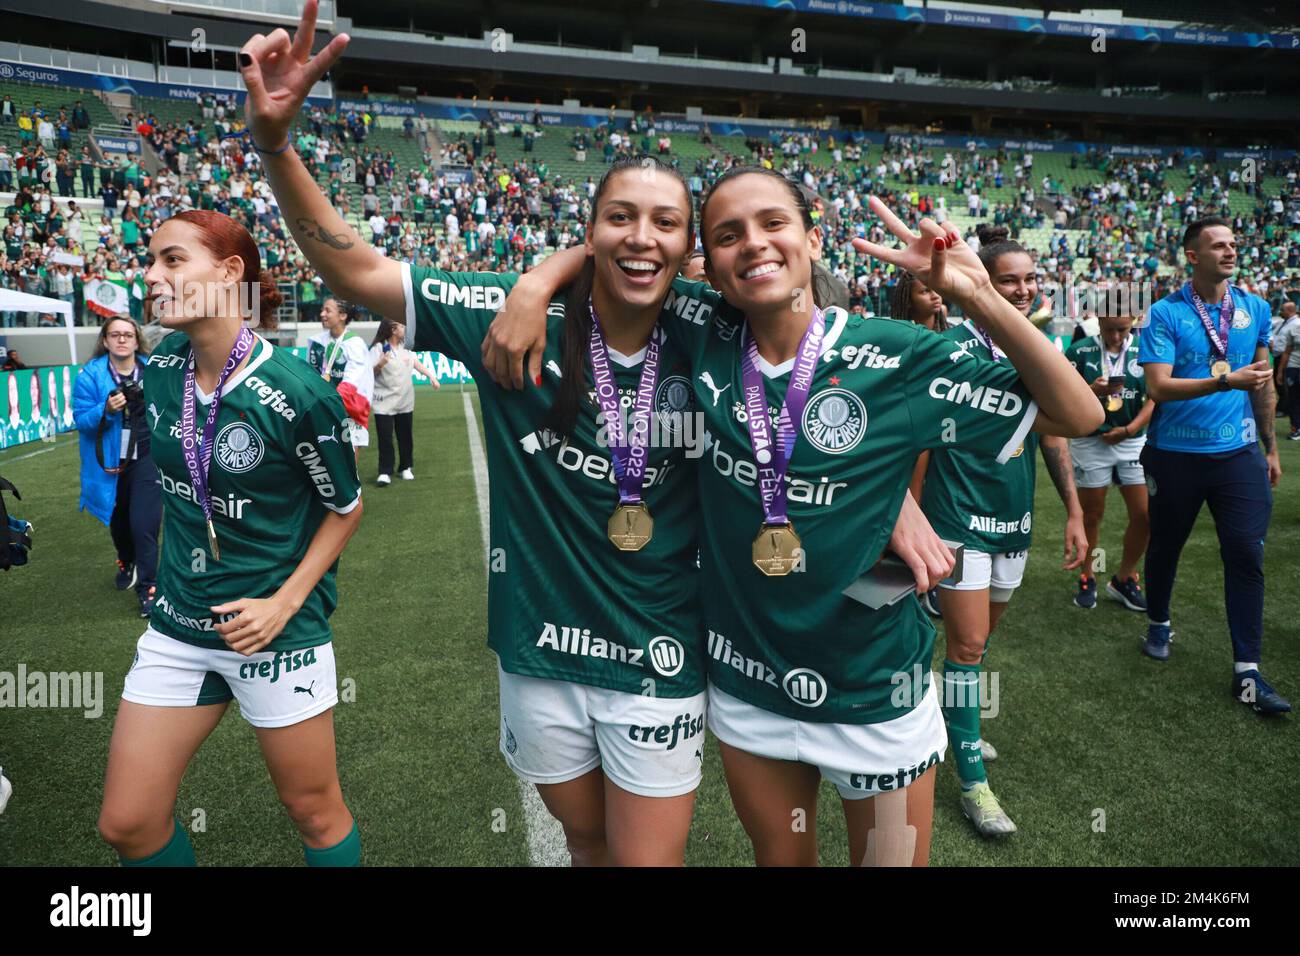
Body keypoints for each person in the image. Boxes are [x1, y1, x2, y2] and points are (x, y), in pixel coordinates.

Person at [486, 169, 1102, 865]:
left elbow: (1078, 413)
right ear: (710, 269)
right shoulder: (701, 329)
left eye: (773, 224)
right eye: (727, 235)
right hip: (751, 690)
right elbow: (625, 256)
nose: (752, 244)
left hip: (876, 694)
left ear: (812, 240)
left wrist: (980, 294)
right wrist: (537, 282)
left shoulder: (894, 356)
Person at [96, 209, 365, 868]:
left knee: (313, 811)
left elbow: (345, 507)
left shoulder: (296, 391)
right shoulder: (160, 374)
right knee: (127, 824)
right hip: (178, 627)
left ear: (230, 272)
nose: (151, 275)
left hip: (274, 632)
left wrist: (284, 602)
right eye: (150, 260)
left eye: (171, 260)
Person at [909, 223, 1088, 837]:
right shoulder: (951, 348)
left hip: (1014, 519)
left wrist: (1073, 510)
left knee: (978, 645)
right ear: (980, 279)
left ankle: (953, 718)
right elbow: (920, 447)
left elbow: (1059, 431)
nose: (1021, 289)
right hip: (957, 520)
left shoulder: (1036, 348)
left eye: (1030, 278)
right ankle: (972, 784)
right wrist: (908, 519)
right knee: (966, 648)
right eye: (1006, 279)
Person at [1137, 216, 1289, 715]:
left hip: (1239, 456)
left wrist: (1269, 447)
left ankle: (1248, 671)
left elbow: (1262, 382)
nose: (1229, 251)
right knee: (1166, 545)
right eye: (1217, 245)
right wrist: (1226, 382)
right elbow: (1156, 387)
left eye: (1233, 244)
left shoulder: (1256, 309)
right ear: (1193, 256)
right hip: (1176, 455)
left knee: (1246, 553)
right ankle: (1158, 620)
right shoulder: (1164, 313)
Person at [72, 315, 161, 616]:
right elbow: (81, 422)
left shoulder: (156, 370)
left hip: (147, 456)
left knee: (144, 524)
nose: (122, 339)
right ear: (105, 340)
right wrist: (106, 409)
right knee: (119, 522)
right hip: (109, 460)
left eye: (127, 334)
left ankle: (149, 587)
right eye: (115, 335)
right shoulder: (90, 375)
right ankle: (126, 559)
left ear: (137, 340)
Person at [1065, 313, 1153, 610]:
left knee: (1145, 516)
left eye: (1122, 329)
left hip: (1133, 441)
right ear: (1098, 322)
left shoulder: (1146, 348)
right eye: (1108, 329)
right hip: (1092, 441)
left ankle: (1124, 577)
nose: (1114, 337)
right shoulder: (1080, 350)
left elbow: (1156, 396)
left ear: (1134, 322)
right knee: (1091, 514)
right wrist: (1092, 391)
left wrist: (1129, 429)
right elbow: (1063, 395)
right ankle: (1088, 575)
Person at [369, 317, 438, 485]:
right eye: (401, 326)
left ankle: (405, 467)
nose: (405, 329)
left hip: (405, 400)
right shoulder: (379, 348)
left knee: (405, 436)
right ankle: (385, 471)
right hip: (383, 401)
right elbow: (369, 372)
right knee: (385, 437)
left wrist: (430, 376)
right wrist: (380, 364)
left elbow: (416, 363)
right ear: (393, 330)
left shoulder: (406, 348)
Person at [306, 296, 373, 461]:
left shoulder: (355, 344)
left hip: (348, 406)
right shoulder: (317, 342)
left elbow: (352, 382)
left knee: (349, 449)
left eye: (328, 310)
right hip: (324, 404)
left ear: (342, 316)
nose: (322, 314)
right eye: (322, 310)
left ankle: (351, 485)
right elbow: (310, 373)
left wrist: (331, 401)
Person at [1272, 301, 1300, 440]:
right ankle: (1296, 427)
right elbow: (1287, 351)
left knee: (1293, 397)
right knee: (1293, 397)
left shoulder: (1295, 325)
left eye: (1282, 309)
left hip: (1293, 365)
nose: (1280, 312)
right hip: (1291, 365)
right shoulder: (1292, 327)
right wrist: (1280, 371)